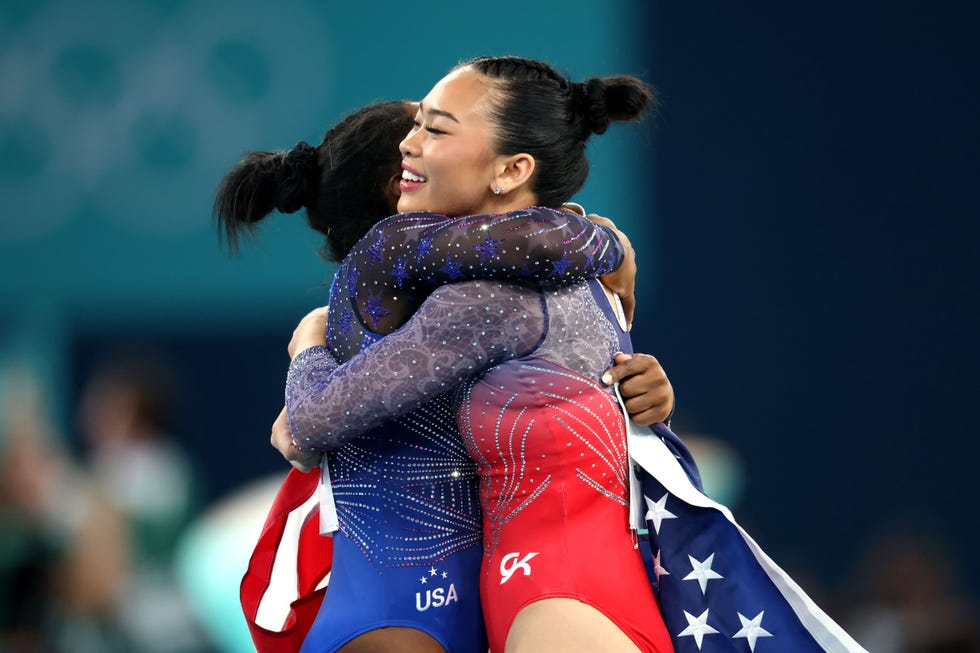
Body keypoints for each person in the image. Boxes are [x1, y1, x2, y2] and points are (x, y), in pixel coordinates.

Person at [283, 56, 868, 653]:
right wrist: (313, 342)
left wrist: (640, 401)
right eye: (416, 132)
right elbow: (308, 424)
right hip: (532, 597)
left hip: (566, 594)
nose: (412, 146)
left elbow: (314, 420)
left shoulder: (516, 287)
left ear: (511, 168)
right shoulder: (520, 270)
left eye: (436, 129)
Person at [216, 98, 674, 653]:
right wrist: (608, 239)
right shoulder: (391, 251)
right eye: (429, 134)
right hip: (395, 615)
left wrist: (632, 390)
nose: (442, 145)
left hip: (471, 605)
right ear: (402, 184)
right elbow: (301, 429)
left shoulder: (468, 299)